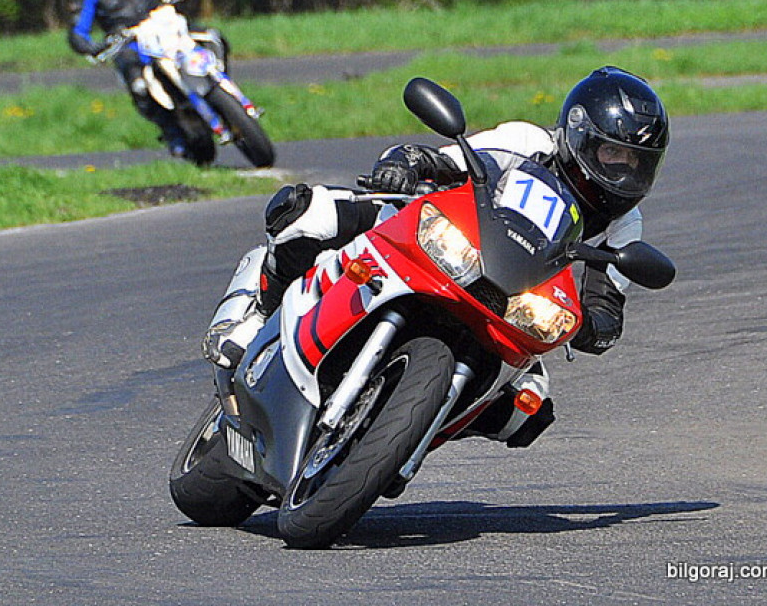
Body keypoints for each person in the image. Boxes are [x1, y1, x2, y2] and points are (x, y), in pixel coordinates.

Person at [204, 66, 669, 442]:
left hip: (508, 305)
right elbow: (446, 159)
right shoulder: (531, 144)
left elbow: (607, 307)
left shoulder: (623, 226)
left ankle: (409, 429)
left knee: (528, 409)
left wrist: (592, 325)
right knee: (309, 214)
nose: (624, 171)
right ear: (581, 136)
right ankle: (252, 313)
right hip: (442, 240)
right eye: (613, 155)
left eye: (636, 162)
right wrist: (402, 166)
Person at [67, 0, 203, 157]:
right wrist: (90, 46)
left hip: (162, 22)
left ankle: (224, 93)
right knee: (138, 86)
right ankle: (172, 131)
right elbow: (79, 30)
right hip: (126, 41)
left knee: (210, 38)